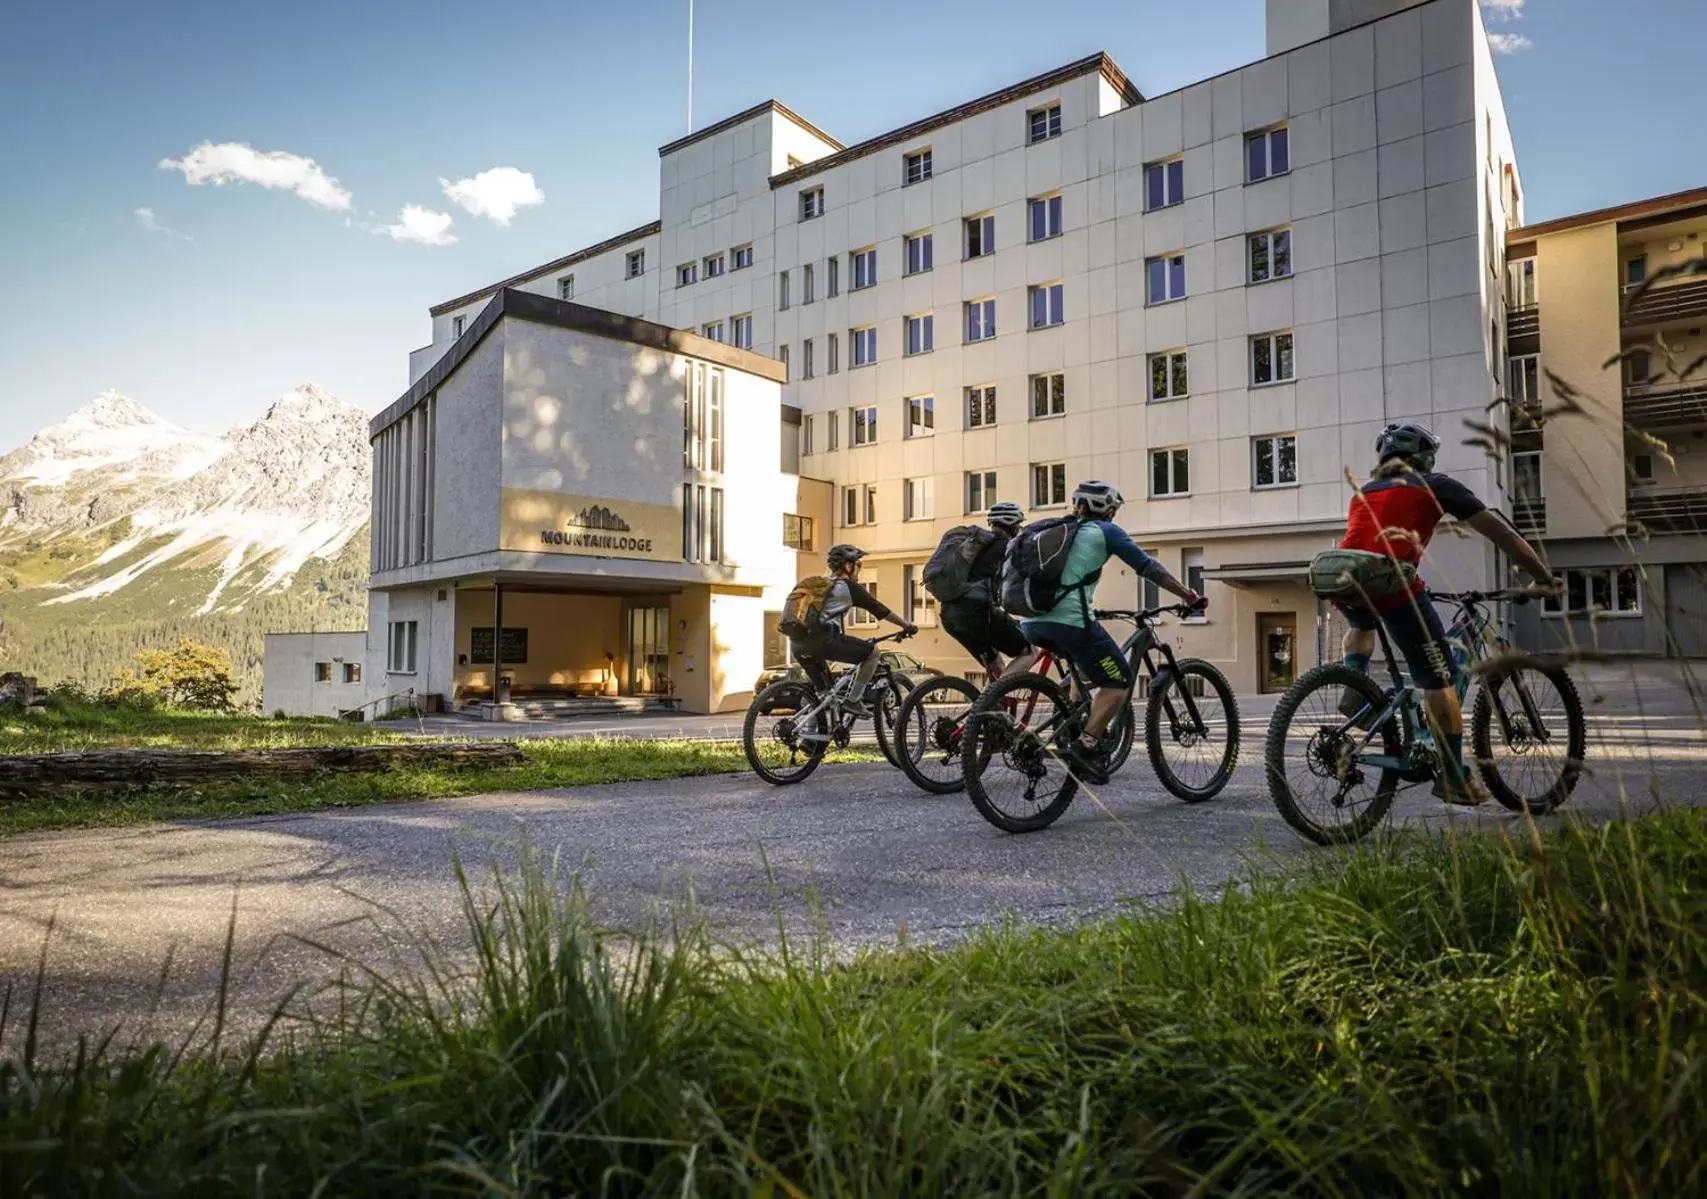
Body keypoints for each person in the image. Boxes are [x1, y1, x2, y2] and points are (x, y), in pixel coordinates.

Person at [1334, 421, 1558, 805]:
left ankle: (1353, 686)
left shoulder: (1365, 491)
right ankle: (1454, 777)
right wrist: (1543, 576)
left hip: (1347, 580)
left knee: (1364, 623)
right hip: (1394, 588)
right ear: (1424, 456)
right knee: (1438, 679)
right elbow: (1500, 531)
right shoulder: (1435, 485)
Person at [1017, 481, 1200, 784]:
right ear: (1107, 509)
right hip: (1070, 622)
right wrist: (1188, 595)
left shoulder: (1060, 531)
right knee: (1118, 680)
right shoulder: (1106, 532)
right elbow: (1148, 567)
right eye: (1114, 508)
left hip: (1031, 622)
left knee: (1081, 666)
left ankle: (1071, 720)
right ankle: (1086, 743)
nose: (1115, 513)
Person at [789, 543, 916, 716]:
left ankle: (812, 741)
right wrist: (906, 625)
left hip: (797, 644)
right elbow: (881, 610)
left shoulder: (821, 585)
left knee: (824, 696)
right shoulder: (847, 587)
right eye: (859, 565)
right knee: (872, 653)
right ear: (848, 566)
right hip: (823, 641)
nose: (860, 569)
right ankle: (853, 700)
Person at [936, 501, 1040, 680]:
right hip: (977, 613)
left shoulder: (979, 545)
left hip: (949, 615)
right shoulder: (1008, 547)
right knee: (1029, 651)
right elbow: (1018, 584)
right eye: (1018, 525)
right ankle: (995, 697)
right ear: (1013, 525)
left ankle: (989, 706)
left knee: (996, 663)